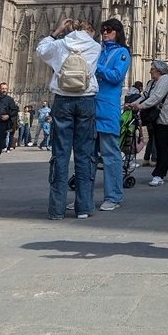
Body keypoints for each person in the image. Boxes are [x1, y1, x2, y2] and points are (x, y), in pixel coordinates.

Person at [36, 17, 101, 220]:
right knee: (85, 154)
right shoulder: (95, 47)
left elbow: (41, 49)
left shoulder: (60, 44)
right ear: (89, 30)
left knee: (61, 155)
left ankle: (56, 210)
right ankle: (83, 208)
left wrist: (57, 31)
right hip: (86, 100)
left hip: (63, 100)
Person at [94, 17, 132, 211]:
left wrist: (95, 67)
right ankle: (84, 197)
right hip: (90, 106)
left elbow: (116, 76)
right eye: (103, 30)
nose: (105, 33)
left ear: (117, 32)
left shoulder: (122, 53)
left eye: (109, 30)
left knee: (110, 154)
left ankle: (114, 196)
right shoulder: (98, 52)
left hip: (108, 108)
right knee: (88, 155)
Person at [133, 61, 168, 186]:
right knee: (162, 144)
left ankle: (159, 175)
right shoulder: (152, 83)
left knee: (163, 145)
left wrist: (141, 106)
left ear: (159, 70)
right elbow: (145, 95)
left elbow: (157, 97)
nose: (150, 71)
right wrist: (134, 104)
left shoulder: (165, 79)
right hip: (158, 117)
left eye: (152, 69)